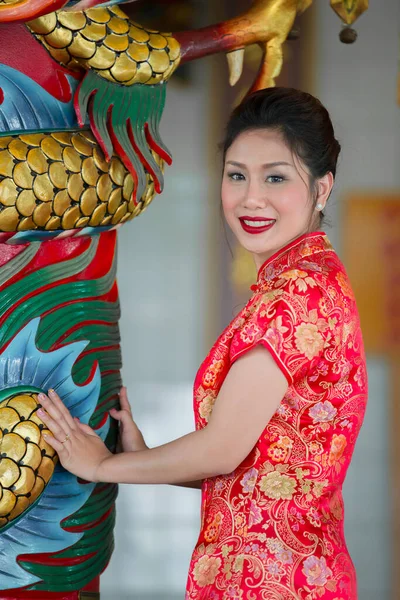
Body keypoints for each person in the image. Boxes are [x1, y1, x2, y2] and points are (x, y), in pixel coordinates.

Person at [38, 87, 367, 599]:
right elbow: (258, 471)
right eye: (237, 175)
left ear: (323, 189)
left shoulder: (298, 293)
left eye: (275, 177)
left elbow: (220, 450)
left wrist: (101, 465)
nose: (250, 198)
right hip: (288, 574)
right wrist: (147, 455)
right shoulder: (311, 280)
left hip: (272, 584)